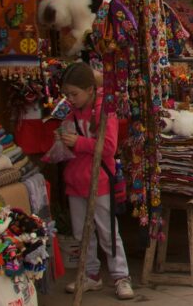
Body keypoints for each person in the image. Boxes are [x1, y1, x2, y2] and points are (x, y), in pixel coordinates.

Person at [59, 62, 135, 300]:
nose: (71, 99)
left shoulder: (105, 110)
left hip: (99, 178)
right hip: (75, 179)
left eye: (75, 94)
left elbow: (109, 148)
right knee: (83, 232)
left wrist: (78, 143)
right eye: (67, 94)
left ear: (90, 90)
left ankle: (121, 276)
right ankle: (90, 274)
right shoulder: (68, 111)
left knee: (107, 231)